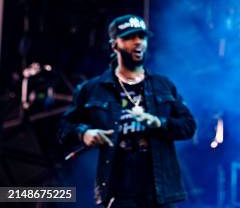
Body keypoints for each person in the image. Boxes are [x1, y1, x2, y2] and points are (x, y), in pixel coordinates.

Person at [58, 15, 196, 207]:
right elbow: (64, 128)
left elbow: (188, 126)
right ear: (114, 45)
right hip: (118, 192)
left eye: (142, 37)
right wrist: (84, 134)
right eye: (130, 37)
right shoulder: (92, 89)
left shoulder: (163, 85)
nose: (138, 42)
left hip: (159, 193)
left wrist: (158, 123)